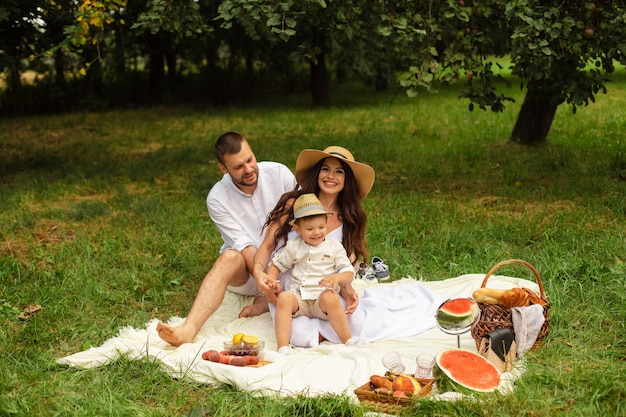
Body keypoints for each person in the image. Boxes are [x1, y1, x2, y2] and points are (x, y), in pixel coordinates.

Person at [156, 131, 296, 346]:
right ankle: (188, 329)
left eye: (250, 160)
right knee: (229, 256)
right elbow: (245, 246)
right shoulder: (217, 198)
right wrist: (261, 275)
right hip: (249, 273)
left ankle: (264, 303)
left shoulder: (280, 174)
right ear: (223, 168)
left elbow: (303, 221)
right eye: (238, 167)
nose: (248, 169)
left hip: (289, 264)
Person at [246, 146, 376, 347]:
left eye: (339, 171)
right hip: (291, 289)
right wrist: (258, 273)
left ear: (347, 179)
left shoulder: (350, 217)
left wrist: (348, 290)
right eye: (326, 169)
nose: (331, 176)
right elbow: (267, 245)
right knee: (297, 337)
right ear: (317, 172)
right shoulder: (294, 204)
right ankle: (271, 308)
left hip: (326, 289)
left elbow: (347, 263)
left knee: (356, 322)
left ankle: (334, 334)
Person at [258, 193, 363, 355]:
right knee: (285, 298)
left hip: (322, 301)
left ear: (327, 224)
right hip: (300, 299)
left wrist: (337, 277)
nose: (316, 232)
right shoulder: (294, 246)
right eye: (310, 229)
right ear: (298, 229)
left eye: (321, 227)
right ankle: (283, 346)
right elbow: (277, 265)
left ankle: (347, 339)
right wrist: (271, 282)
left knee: (331, 296)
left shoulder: (334, 247)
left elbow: (348, 272)